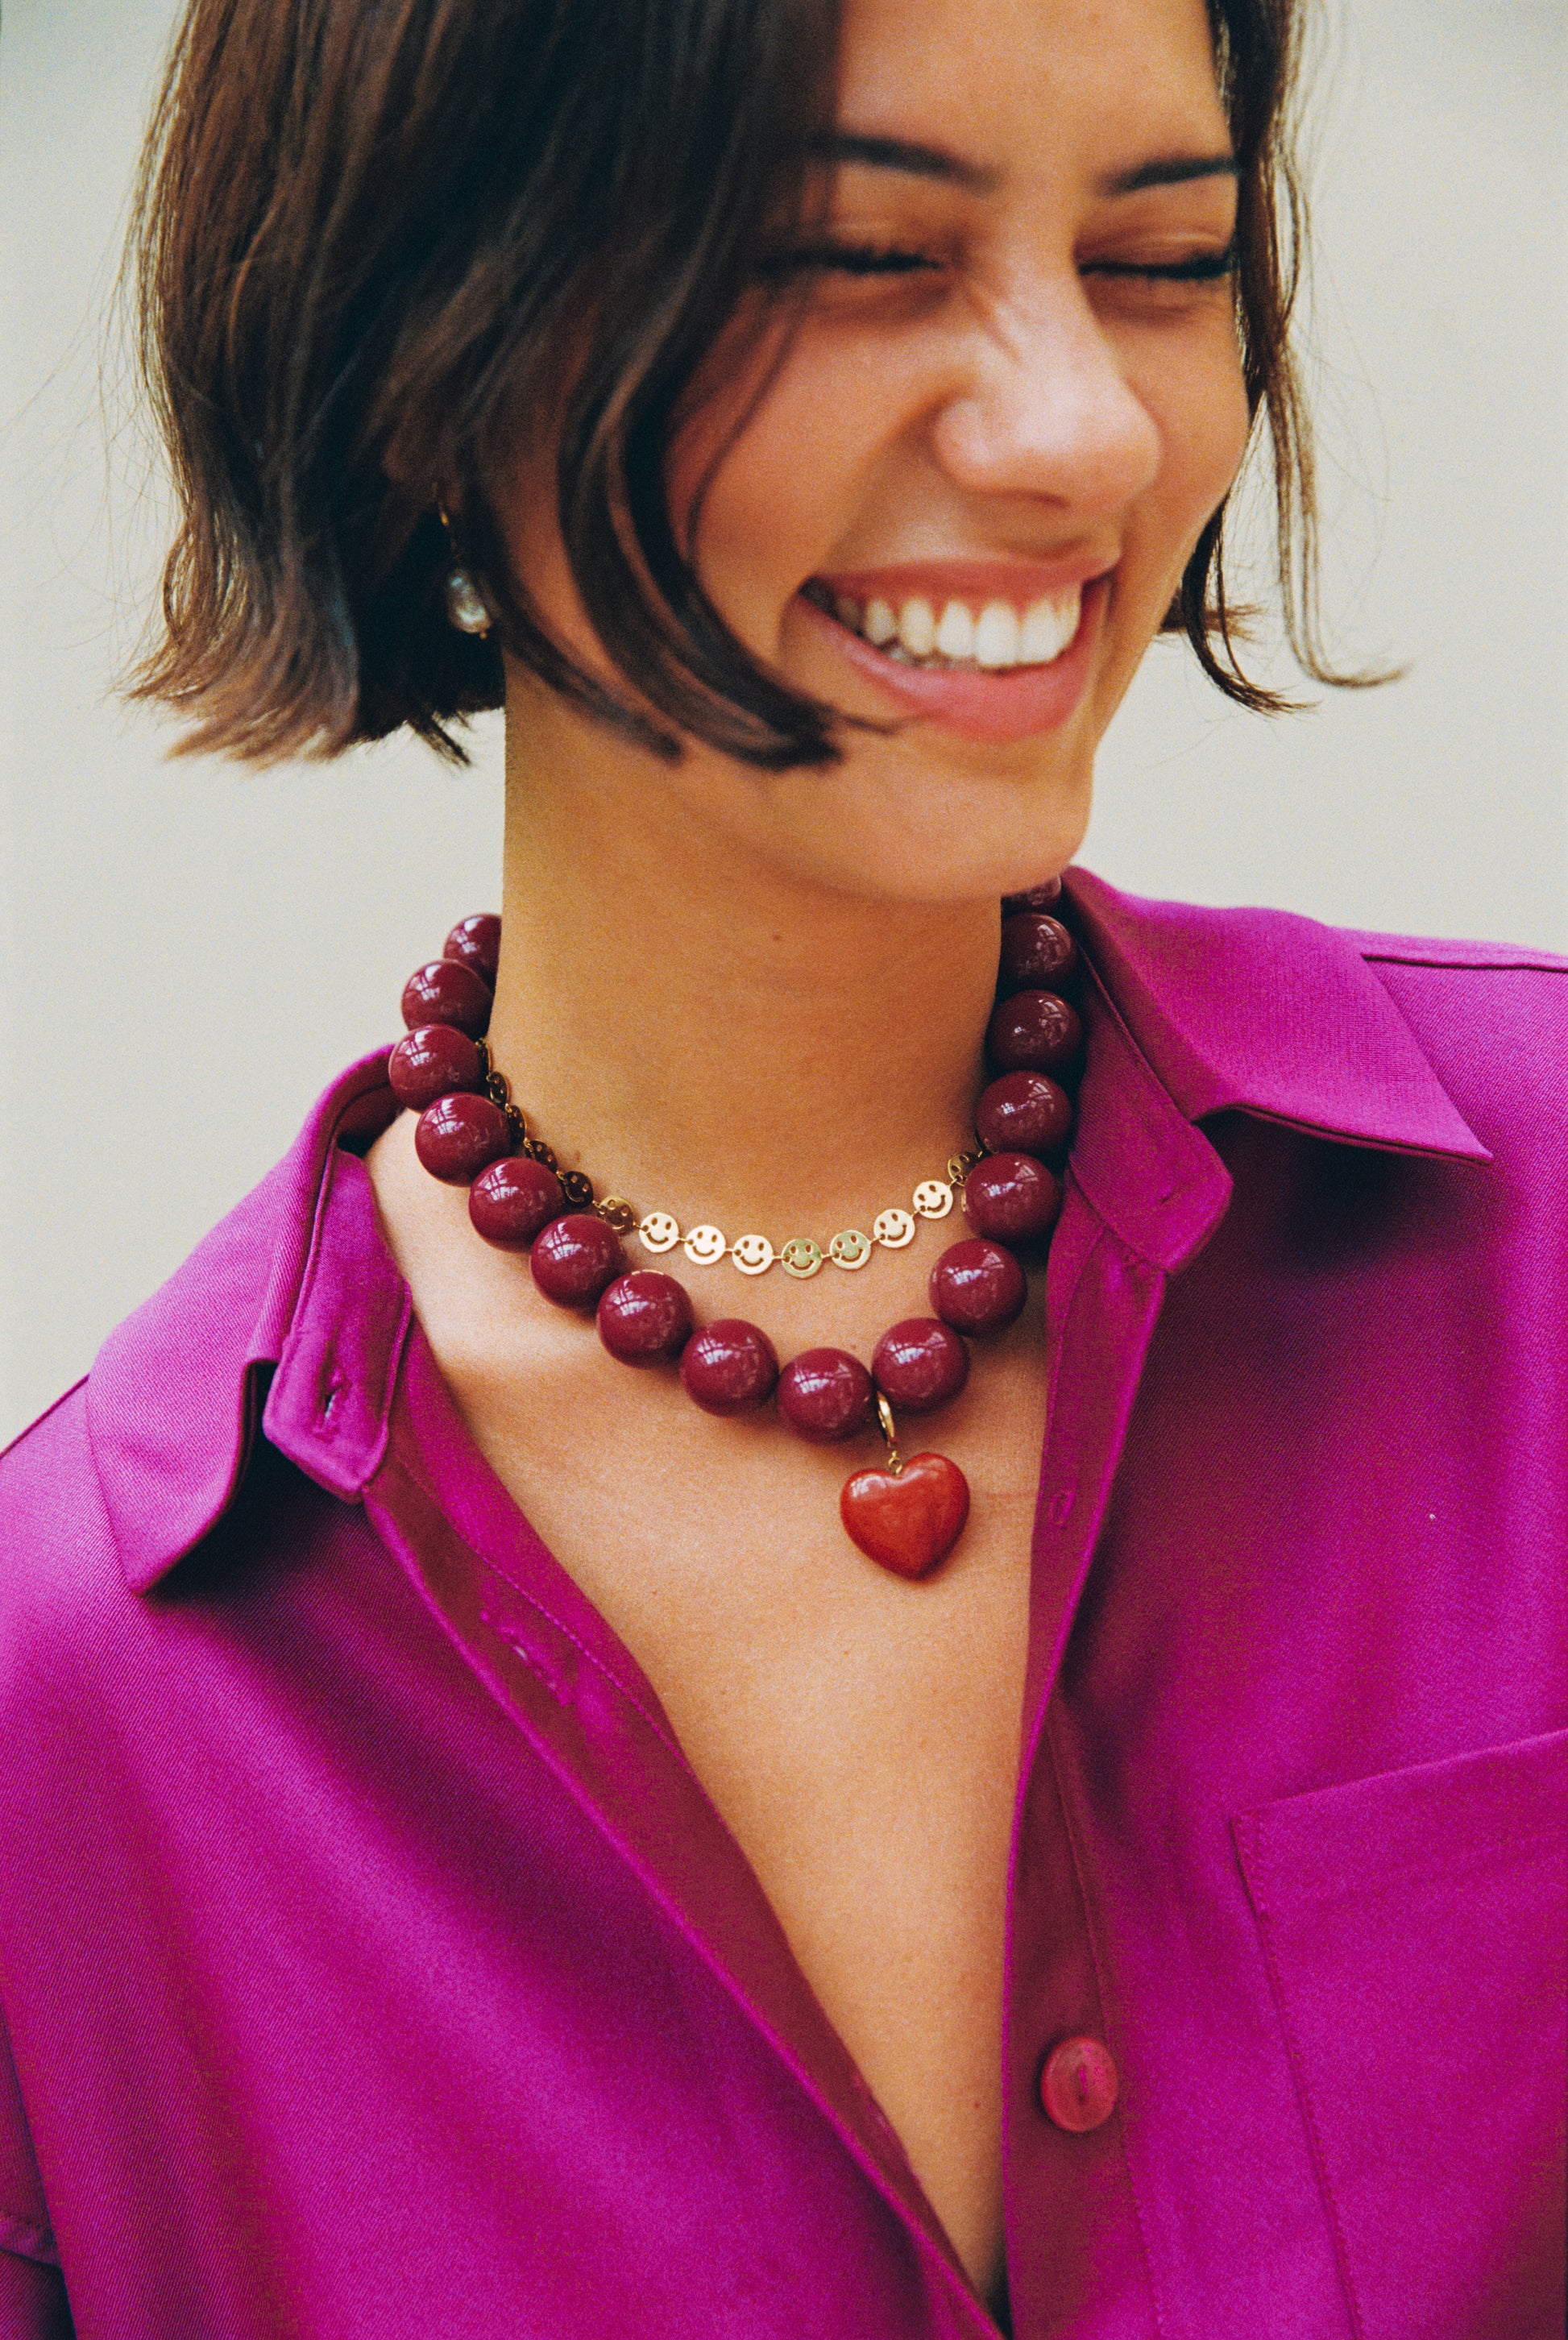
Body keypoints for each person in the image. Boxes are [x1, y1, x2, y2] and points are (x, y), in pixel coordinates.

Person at [0, 0, 1562, 2333]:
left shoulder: (1541, 1251)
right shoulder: (73, 1728)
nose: (1081, 428)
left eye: (1162, 263)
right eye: (856, 259)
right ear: (422, 355)